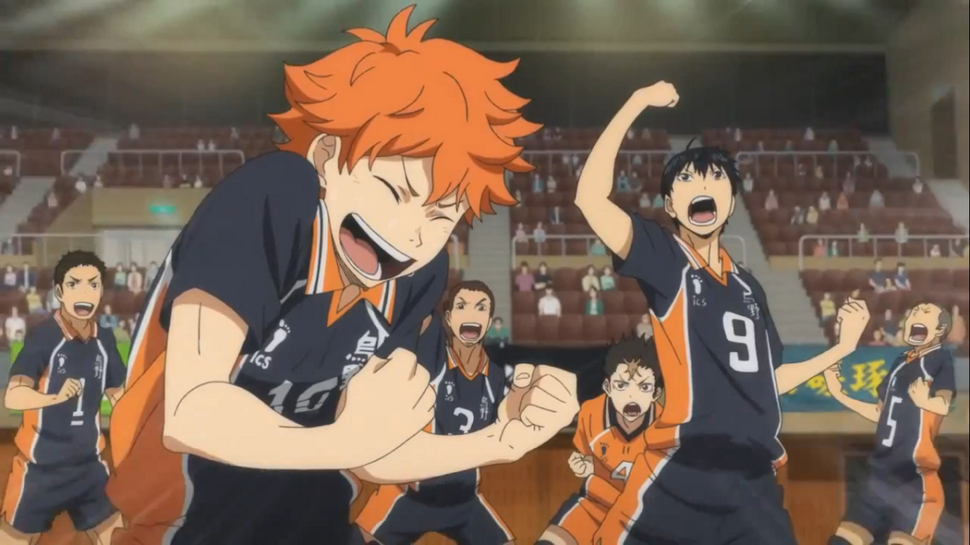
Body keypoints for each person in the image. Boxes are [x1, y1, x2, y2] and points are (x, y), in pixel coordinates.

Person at [104, 9, 578, 544]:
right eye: (395, 191)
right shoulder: (271, 197)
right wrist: (344, 441)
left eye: (441, 216)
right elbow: (191, 412)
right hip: (184, 525)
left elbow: (378, 451)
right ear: (327, 156)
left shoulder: (420, 275)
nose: (411, 233)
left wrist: (503, 440)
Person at [575, 82, 870, 545]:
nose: (702, 188)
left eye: (715, 180)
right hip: (686, 468)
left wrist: (843, 349)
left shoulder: (749, 287)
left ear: (732, 200)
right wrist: (636, 101)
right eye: (687, 181)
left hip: (754, 478)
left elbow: (770, 381)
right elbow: (590, 199)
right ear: (670, 205)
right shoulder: (667, 259)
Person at [357, 283, 517, 545]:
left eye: (480, 308)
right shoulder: (432, 354)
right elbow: (418, 302)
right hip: (409, 496)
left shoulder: (496, 378)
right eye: (462, 306)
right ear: (449, 318)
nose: (471, 314)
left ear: (489, 321)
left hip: (465, 501)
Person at [0, 251, 125, 544]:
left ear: (101, 292)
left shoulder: (105, 340)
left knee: (119, 538)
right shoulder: (44, 337)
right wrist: (54, 397)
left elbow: (119, 397)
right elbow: (13, 397)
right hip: (40, 470)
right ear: (59, 292)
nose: (84, 292)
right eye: (74, 284)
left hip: (89, 468)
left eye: (93, 284)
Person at [824, 303, 956, 545]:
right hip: (879, 477)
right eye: (913, 312)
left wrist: (926, 401)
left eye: (925, 311)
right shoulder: (900, 362)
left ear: (940, 329)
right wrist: (840, 394)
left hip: (914, 479)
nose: (916, 314)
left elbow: (944, 405)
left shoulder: (939, 358)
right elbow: (880, 413)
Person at [541, 337, 663, 545]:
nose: (631, 396)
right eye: (622, 385)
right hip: (595, 505)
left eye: (643, 387)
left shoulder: (666, 426)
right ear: (608, 387)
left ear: (655, 393)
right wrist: (582, 463)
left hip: (643, 515)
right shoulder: (591, 413)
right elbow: (587, 457)